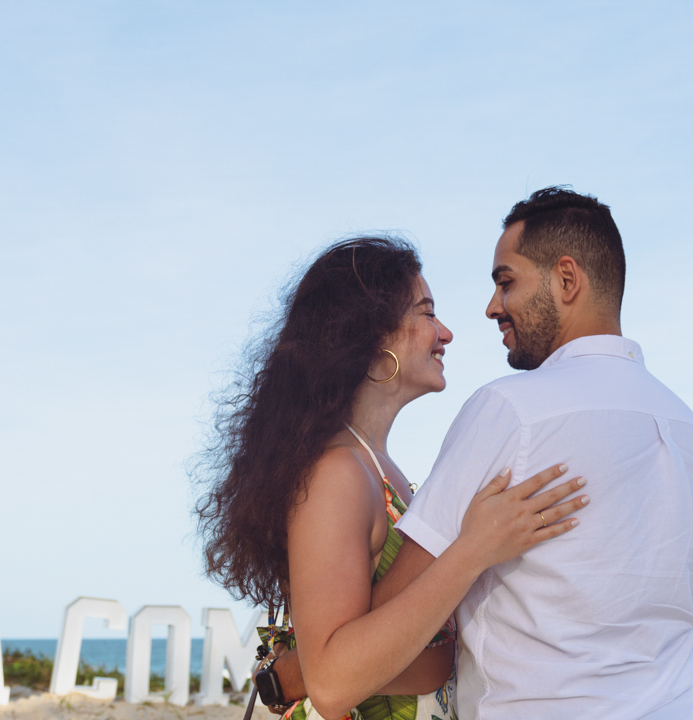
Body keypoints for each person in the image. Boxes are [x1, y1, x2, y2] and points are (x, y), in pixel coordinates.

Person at [193, 235, 587, 720]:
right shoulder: (337, 474)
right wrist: (475, 549)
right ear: (374, 335)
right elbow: (332, 680)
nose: (445, 333)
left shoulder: (374, 466)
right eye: (427, 313)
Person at [371, 187, 693, 719]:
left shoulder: (511, 411)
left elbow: (390, 619)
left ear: (566, 280)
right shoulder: (683, 426)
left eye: (506, 282)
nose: (492, 307)